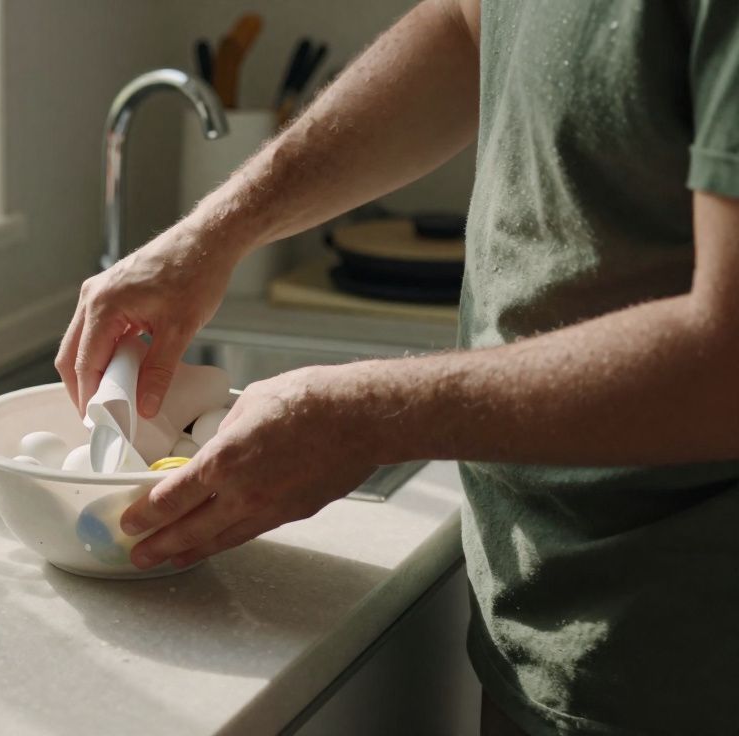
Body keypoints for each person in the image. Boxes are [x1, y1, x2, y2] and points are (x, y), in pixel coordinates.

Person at [54, 1, 739, 733]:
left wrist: (366, 417)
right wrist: (217, 230)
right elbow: (463, 26)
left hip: (688, 661)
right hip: (537, 634)